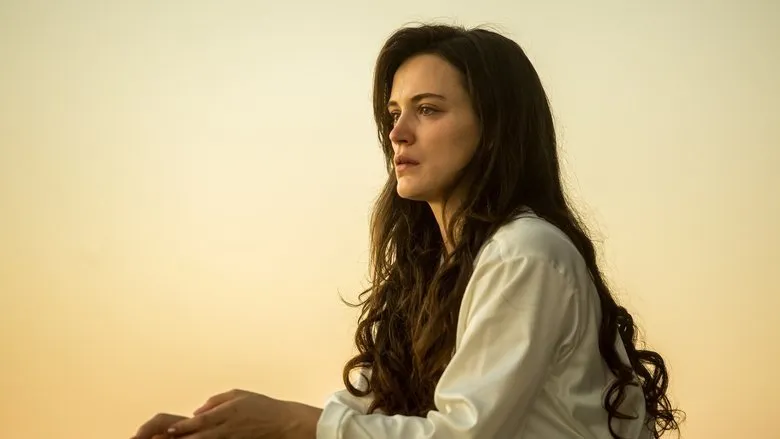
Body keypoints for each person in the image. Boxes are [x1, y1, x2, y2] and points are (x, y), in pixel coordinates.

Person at [132, 23, 683, 439]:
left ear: (494, 129)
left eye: (428, 110)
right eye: (394, 112)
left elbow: (459, 434)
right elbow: (354, 415)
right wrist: (212, 429)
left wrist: (290, 423)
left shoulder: (526, 252)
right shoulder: (432, 273)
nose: (397, 132)